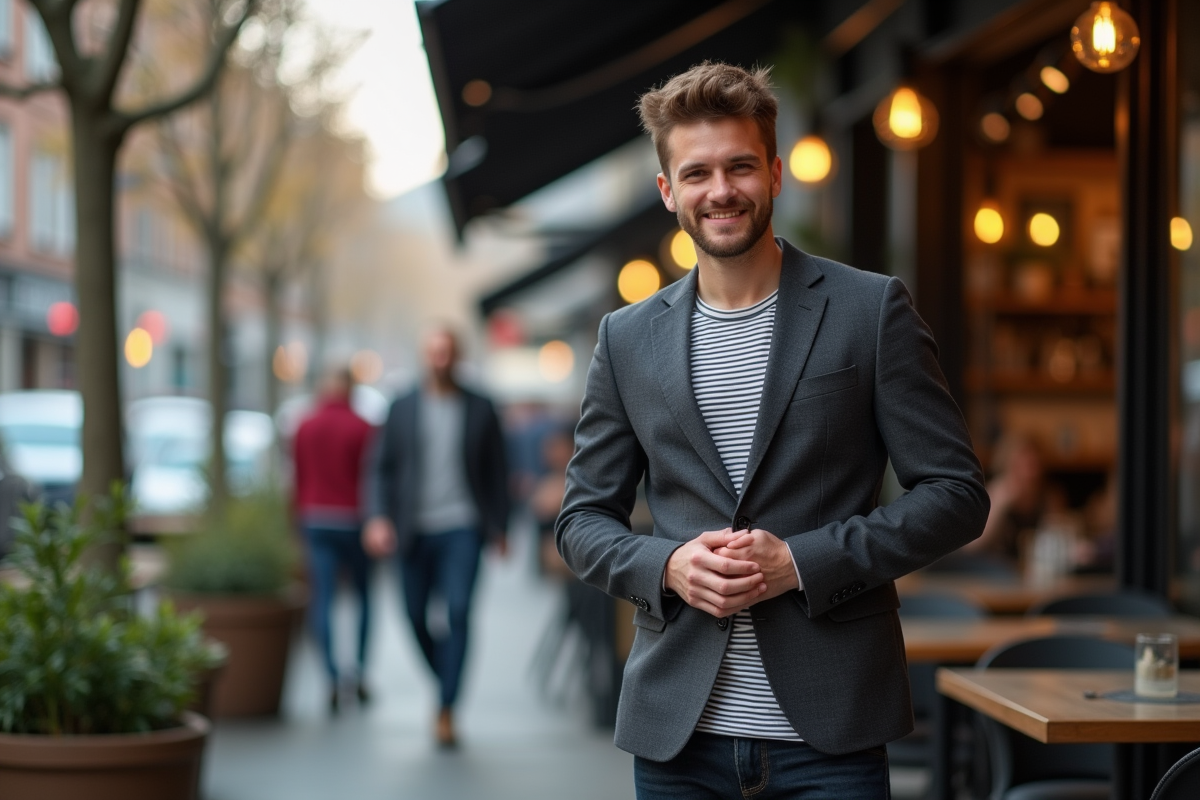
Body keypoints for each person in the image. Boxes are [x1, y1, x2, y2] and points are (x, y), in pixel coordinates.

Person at [556, 62, 989, 799]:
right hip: (677, 739)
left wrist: (803, 561)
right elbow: (581, 522)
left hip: (833, 735)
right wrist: (665, 566)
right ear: (668, 191)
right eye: (696, 173)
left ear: (776, 173)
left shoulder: (870, 310)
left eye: (740, 166)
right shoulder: (626, 339)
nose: (720, 189)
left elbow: (956, 495)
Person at [363, 326, 510, 748]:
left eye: (446, 353)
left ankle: (446, 705)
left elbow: (498, 470)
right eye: (433, 353)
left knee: (459, 611)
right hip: (412, 530)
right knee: (413, 615)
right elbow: (380, 467)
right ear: (423, 356)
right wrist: (377, 517)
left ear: (457, 356)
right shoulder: (402, 407)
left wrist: (500, 526)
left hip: (463, 527)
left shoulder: (481, 407)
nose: (439, 360)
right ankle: (447, 676)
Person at [292, 367, 375, 713]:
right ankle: (358, 674)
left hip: (315, 518)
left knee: (322, 599)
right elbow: (373, 479)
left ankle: (329, 675)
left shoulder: (304, 426)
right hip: (355, 519)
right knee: (363, 597)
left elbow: (295, 477)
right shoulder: (364, 428)